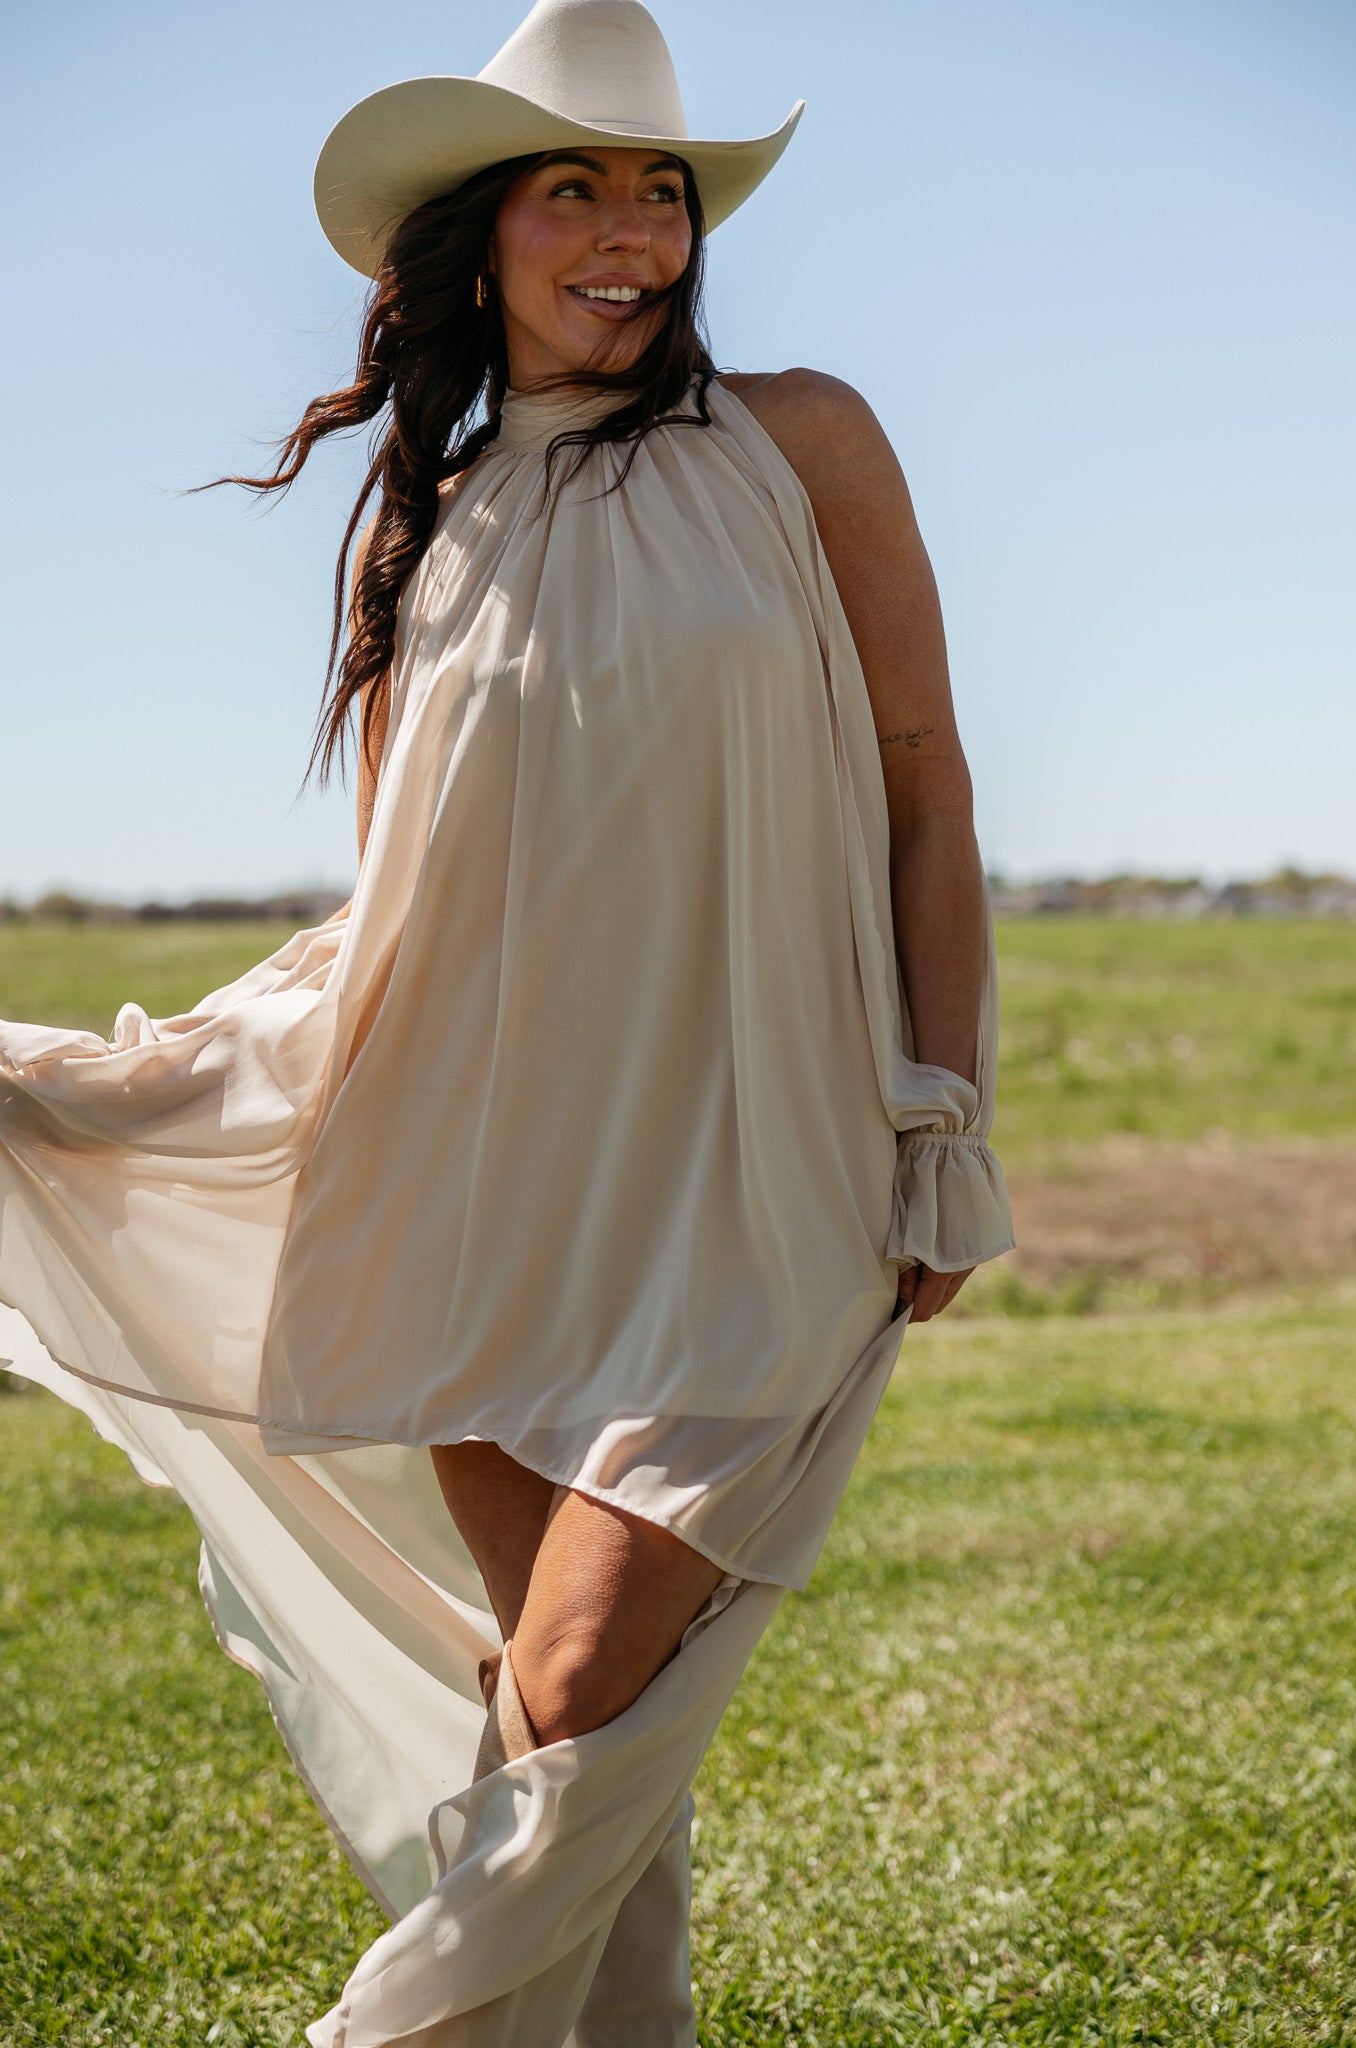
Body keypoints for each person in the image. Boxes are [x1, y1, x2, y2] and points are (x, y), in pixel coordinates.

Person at [0, 1, 1014, 2040]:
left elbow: (924, 790)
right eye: (579, 187)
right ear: (476, 238)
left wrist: (942, 1115)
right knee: (562, 1743)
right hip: (481, 1203)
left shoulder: (805, 443)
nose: (634, 231)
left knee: (566, 1694)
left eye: (664, 191)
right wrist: (116, 1086)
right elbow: (406, 930)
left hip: (760, 1191)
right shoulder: (420, 531)